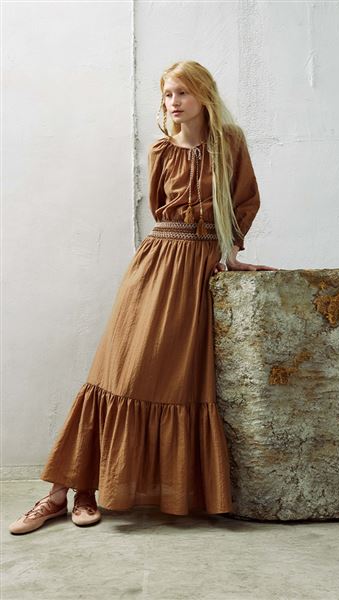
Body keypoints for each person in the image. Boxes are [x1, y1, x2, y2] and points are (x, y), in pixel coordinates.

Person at [9, 60, 279, 535]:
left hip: (199, 269)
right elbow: (160, 209)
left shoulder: (230, 143)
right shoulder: (161, 150)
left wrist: (230, 254)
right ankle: (64, 492)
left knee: (171, 382)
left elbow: (245, 201)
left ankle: (92, 489)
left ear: (204, 95)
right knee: (116, 372)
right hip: (155, 265)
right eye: (167, 94)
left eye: (182, 93)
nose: (173, 102)